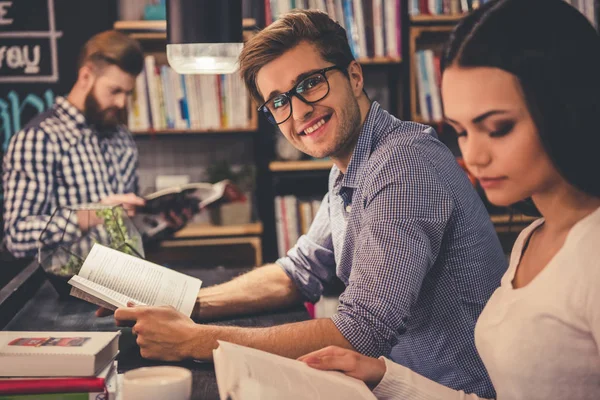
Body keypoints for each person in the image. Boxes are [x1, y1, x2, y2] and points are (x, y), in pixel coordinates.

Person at [111, 10, 506, 398]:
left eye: (311, 84)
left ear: (353, 77)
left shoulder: (403, 164)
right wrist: (185, 303)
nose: (299, 111)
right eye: (279, 101)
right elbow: (299, 272)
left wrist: (194, 341)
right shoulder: (350, 166)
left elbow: (360, 332)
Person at [299, 1, 600, 399]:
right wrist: (383, 377)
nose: (473, 156)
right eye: (460, 131)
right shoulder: (533, 237)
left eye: (498, 128)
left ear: (567, 109)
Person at [2, 30, 146, 259]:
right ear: (86, 76)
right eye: (114, 91)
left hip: (123, 282)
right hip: (62, 289)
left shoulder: (121, 138)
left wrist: (164, 221)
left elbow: (129, 232)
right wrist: (88, 216)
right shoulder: (40, 139)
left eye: (128, 93)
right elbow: (17, 237)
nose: (121, 102)